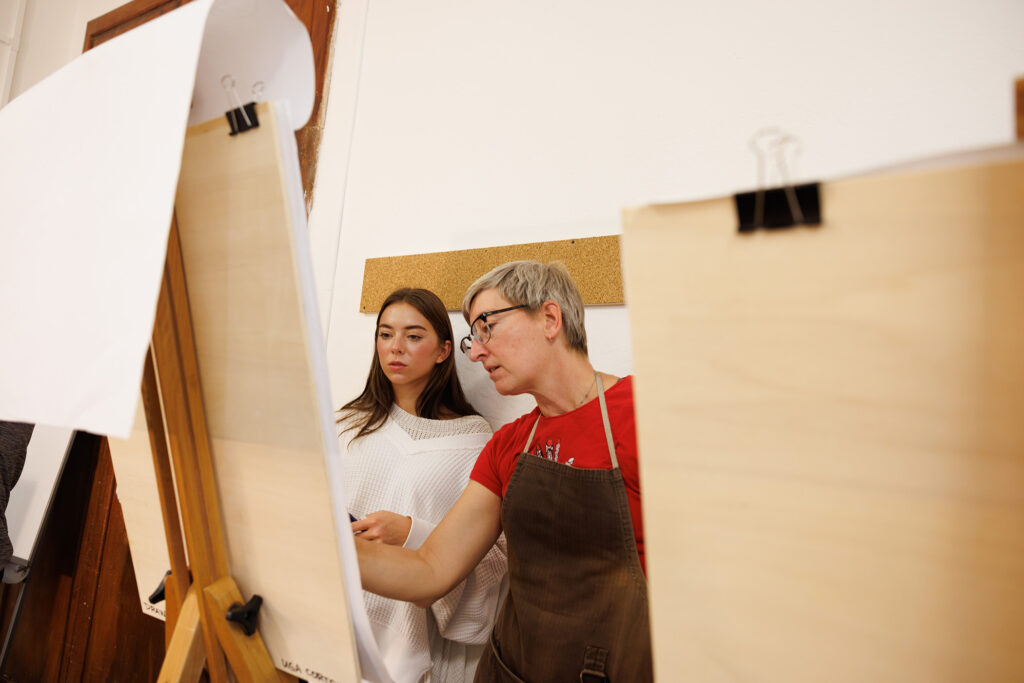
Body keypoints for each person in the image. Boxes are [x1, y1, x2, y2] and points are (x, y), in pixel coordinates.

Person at [355, 262, 653, 682]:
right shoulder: (509, 445)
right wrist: (328, 544)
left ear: (550, 319)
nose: (476, 351)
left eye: (486, 327)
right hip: (510, 671)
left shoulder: (646, 413)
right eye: (472, 338)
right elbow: (430, 570)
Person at [337, 288, 507, 683]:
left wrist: (413, 533)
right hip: (331, 619)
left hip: (408, 634)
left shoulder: (474, 441)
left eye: (413, 336)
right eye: (385, 334)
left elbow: (495, 557)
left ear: (443, 351)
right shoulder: (344, 426)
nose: (396, 347)